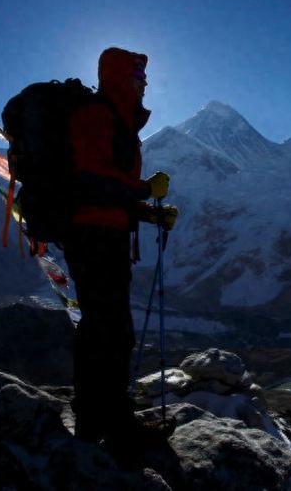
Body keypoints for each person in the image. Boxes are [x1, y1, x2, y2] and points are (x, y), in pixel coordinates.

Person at [62, 47, 177, 447]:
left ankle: (103, 417)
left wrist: (148, 213)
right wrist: (146, 189)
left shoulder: (118, 121)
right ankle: (103, 421)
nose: (144, 84)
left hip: (104, 235)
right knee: (106, 330)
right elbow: (91, 180)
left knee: (108, 329)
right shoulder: (96, 116)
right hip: (92, 238)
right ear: (119, 78)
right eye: (138, 77)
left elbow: (107, 191)